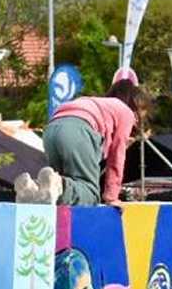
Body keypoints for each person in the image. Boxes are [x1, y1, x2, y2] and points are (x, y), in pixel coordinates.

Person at [19, 79, 152, 207]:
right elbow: (117, 157)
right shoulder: (126, 112)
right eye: (139, 118)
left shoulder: (97, 103)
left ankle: (32, 189)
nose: (136, 123)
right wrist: (112, 196)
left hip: (51, 130)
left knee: (53, 192)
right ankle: (58, 184)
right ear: (136, 108)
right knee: (90, 193)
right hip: (78, 130)